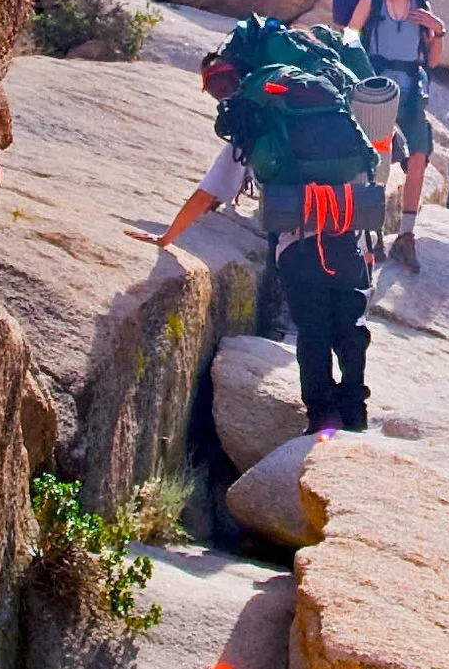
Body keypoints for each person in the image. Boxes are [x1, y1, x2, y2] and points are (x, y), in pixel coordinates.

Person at [141, 36, 372, 435]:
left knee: (313, 330)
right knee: (350, 327)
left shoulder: (254, 126)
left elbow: (206, 194)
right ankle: (355, 412)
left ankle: (321, 417)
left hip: (296, 244)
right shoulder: (325, 105)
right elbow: (365, 164)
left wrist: (168, 237)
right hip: (345, 233)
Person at [334, 0, 445, 270]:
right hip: (378, 89)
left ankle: (406, 236)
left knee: (420, 157)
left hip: (411, 92)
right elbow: (350, 39)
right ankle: (369, 234)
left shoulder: (421, 9)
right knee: (376, 162)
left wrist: (438, 30)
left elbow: (434, 61)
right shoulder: (372, 1)